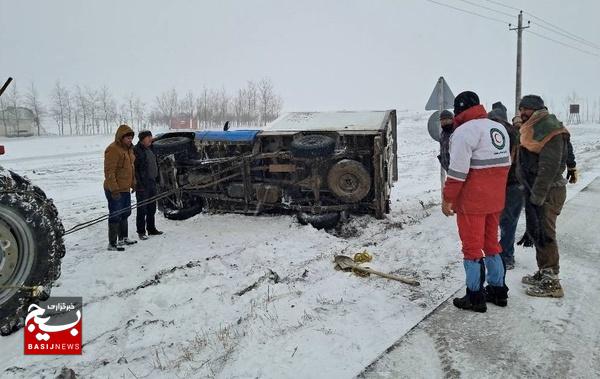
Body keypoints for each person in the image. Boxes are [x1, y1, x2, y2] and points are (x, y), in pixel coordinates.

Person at [442, 91, 511, 312]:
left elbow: (457, 172)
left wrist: (447, 199)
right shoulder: (497, 127)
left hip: (472, 202)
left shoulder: (464, 132)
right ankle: (498, 290)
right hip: (495, 198)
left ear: (459, 110)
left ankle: (474, 296)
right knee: (492, 243)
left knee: (471, 248)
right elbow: (505, 164)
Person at [516, 95, 571, 298]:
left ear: (536, 110)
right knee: (538, 232)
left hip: (548, 191)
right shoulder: (534, 127)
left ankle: (552, 283)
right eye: (520, 109)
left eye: (525, 109)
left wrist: (537, 196)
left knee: (546, 234)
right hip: (539, 190)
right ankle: (544, 272)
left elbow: (549, 167)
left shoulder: (550, 129)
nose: (522, 113)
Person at [488, 101, 521, 270]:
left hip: (499, 183)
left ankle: (504, 255)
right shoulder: (515, 132)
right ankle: (506, 255)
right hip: (515, 183)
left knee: (497, 221)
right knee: (508, 222)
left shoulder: (489, 132)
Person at [104, 124, 137, 251]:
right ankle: (112, 243)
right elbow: (109, 172)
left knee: (125, 213)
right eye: (128, 138)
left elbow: (131, 169)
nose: (130, 140)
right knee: (115, 214)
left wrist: (133, 183)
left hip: (125, 188)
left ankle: (123, 238)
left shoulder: (128, 150)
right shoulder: (113, 149)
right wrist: (114, 189)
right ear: (121, 137)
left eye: (131, 138)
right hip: (115, 189)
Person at [134, 130, 164, 240]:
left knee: (152, 207)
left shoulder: (150, 148)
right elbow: (135, 170)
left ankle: (151, 228)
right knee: (142, 209)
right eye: (148, 138)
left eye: (150, 137)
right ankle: (141, 231)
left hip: (152, 182)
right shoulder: (136, 151)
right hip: (143, 184)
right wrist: (139, 183)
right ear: (142, 140)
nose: (150, 139)